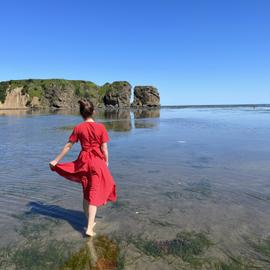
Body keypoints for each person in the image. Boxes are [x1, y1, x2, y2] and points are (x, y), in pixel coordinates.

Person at [49, 99, 117, 237]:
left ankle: (89, 221)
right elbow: (104, 148)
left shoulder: (79, 127)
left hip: (84, 162)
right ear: (94, 112)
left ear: (81, 113)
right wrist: (107, 162)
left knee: (87, 192)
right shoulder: (101, 127)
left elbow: (68, 146)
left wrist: (56, 160)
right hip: (97, 162)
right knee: (94, 194)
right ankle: (89, 228)